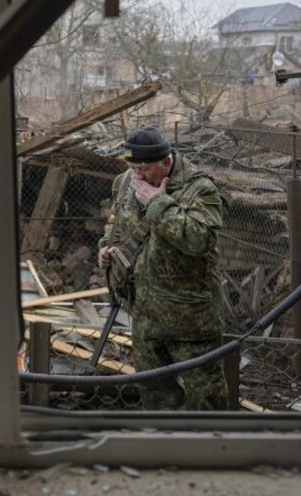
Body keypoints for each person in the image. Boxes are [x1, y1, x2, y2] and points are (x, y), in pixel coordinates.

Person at [97, 125, 229, 410]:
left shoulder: (200, 189)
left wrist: (157, 203)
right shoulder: (124, 182)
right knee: (156, 398)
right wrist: (106, 249)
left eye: (143, 169)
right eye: (132, 168)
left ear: (166, 162)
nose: (137, 176)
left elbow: (200, 240)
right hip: (144, 315)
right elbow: (115, 225)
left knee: (206, 400)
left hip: (189, 319)